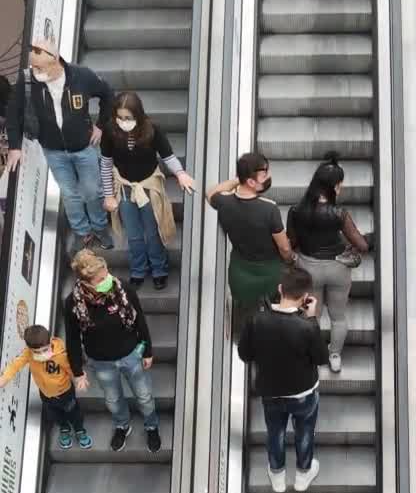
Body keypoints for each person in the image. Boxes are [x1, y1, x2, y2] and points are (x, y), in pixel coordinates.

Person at [5, 39, 114, 248]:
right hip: (53, 151)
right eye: (33, 66)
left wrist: (101, 125)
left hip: (83, 147)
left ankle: (100, 227)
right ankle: (82, 232)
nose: (35, 71)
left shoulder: (81, 76)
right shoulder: (28, 80)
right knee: (69, 193)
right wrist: (15, 147)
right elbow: (13, 113)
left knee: (92, 191)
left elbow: (108, 95)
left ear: (55, 60)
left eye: (39, 67)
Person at [237, 265, 329, 492]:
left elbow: (244, 354)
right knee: (304, 431)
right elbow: (321, 358)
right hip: (303, 393)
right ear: (305, 297)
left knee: (275, 431)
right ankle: (303, 475)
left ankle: (277, 476)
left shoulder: (256, 321)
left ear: (280, 288)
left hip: (270, 392)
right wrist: (312, 319)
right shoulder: (307, 328)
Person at [65, 250, 161, 453]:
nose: (108, 278)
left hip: (131, 355)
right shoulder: (73, 304)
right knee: (113, 399)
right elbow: (72, 338)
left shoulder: (122, 289)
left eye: (106, 272)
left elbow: (139, 320)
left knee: (144, 396)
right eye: (101, 278)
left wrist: (147, 350)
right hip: (101, 362)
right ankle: (122, 426)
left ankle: (151, 426)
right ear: (87, 282)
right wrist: (77, 372)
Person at [100, 91, 195, 291]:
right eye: (120, 117)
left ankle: (159, 269)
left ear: (138, 115)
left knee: (153, 232)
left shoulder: (152, 130)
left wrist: (180, 173)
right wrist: (108, 194)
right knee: (133, 234)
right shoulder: (110, 131)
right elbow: (106, 164)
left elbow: (168, 156)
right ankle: (138, 269)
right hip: (125, 187)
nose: (123, 122)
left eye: (128, 118)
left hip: (149, 187)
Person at [286, 153, 369, 374]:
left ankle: (309, 354)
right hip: (337, 269)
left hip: (308, 268)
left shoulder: (296, 211)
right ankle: (334, 356)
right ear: (333, 187)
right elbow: (361, 244)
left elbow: (291, 242)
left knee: (310, 314)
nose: (341, 189)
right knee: (338, 316)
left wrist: (293, 259)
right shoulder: (339, 213)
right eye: (340, 185)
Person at [206, 151, 296, 317]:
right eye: (264, 174)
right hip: (270, 272)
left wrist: (237, 180)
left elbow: (210, 192)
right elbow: (284, 248)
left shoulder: (224, 202)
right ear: (251, 182)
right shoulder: (269, 209)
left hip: (240, 271)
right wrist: (291, 259)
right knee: (273, 314)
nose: (269, 176)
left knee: (247, 315)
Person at [0, 324, 92, 450]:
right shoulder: (28, 354)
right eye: (37, 352)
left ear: (50, 342)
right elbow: (15, 365)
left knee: (73, 411)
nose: (42, 354)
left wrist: (79, 378)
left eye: (45, 349)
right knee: (54, 414)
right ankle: (64, 428)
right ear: (30, 349)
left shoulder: (60, 355)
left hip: (65, 392)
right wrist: (4, 379)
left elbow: (70, 369)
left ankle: (79, 429)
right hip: (45, 394)